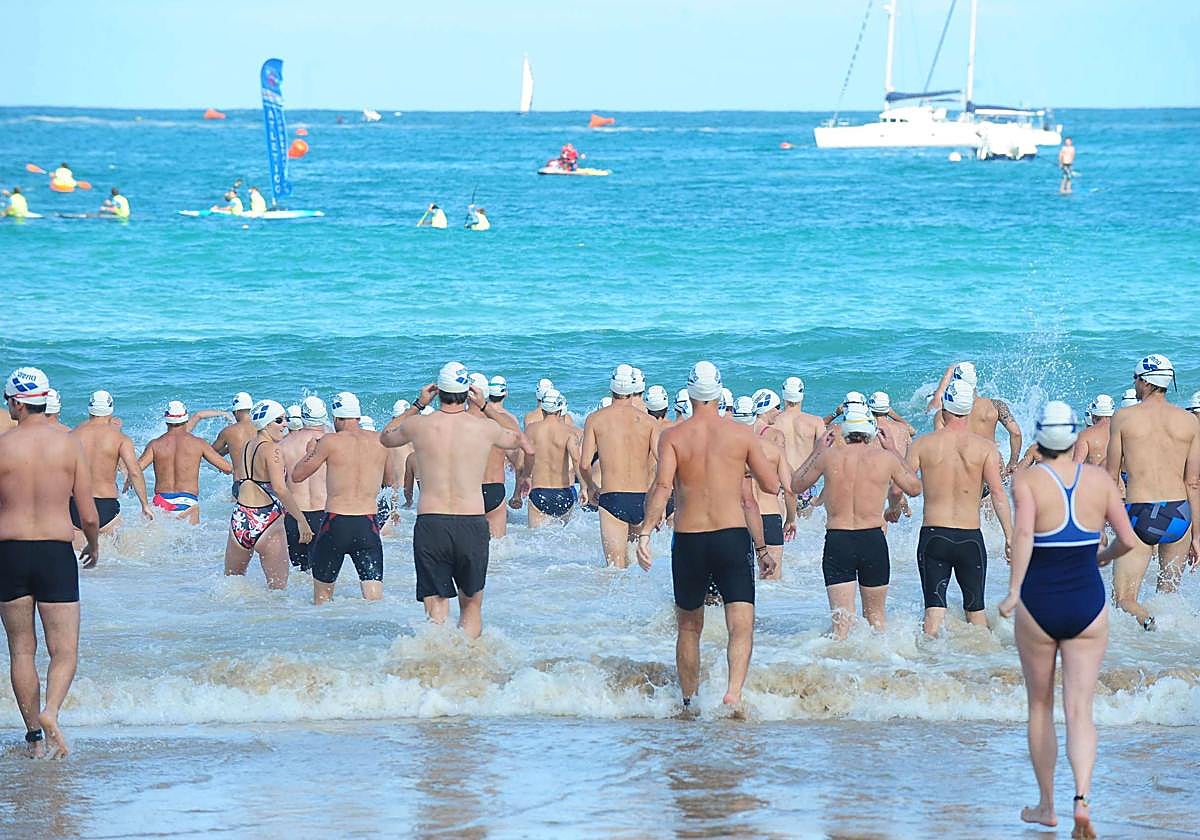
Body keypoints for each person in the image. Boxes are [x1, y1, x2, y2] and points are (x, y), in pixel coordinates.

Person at [998, 401, 1138, 839]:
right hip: (1087, 603)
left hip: (1038, 602)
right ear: (1075, 435)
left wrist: (1014, 591)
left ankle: (1046, 806)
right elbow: (1128, 539)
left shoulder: (1027, 481)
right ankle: (1082, 799)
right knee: (1080, 710)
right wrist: (1102, 556)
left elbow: (1024, 534)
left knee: (1040, 706)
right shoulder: (1099, 481)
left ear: (1040, 437)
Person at [635, 361, 778, 712]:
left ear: (689, 392)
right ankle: (733, 693)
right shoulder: (742, 435)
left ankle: (689, 700)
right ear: (719, 392)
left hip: (690, 539)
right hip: (732, 537)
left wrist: (644, 534)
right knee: (740, 624)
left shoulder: (673, 436)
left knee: (688, 627)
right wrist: (740, 466)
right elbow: (771, 485)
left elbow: (663, 487)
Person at [380, 363, 532, 637]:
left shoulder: (418, 425)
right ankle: (468, 659)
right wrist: (486, 406)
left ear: (437, 391)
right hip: (471, 522)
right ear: (468, 392)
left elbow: (385, 437)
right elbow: (520, 439)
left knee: (436, 610)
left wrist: (418, 404)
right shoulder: (484, 428)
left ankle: (438, 658)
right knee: (471, 607)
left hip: (432, 523)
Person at [0, 367, 98, 758]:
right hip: (56, 553)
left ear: (18, 402)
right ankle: (51, 711)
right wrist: (93, 545)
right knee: (65, 650)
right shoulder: (69, 444)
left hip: (10, 552)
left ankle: (34, 739)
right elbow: (88, 514)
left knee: (22, 651)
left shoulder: (3, 446)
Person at [894, 380, 1012, 636]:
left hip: (934, 537)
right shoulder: (986, 448)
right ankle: (985, 658)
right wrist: (1009, 537)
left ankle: (930, 660)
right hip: (971, 539)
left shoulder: (922, 444)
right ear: (969, 410)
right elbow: (998, 494)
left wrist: (893, 508)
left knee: (933, 613)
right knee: (976, 612)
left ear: (944, 409)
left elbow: (898, 486)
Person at [793, 405, 921, 639]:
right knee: (877, 620)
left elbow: (796, 485)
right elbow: (914, 488)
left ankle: (833, 661)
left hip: (838, 541)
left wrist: (817, 450)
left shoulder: (828, 457)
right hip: (872, 540)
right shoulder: (885, 459)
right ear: (871, 431)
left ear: (845, 431)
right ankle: (879, 662)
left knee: (841, 626)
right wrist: (893, 449)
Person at [1105, 355, 1200, 630]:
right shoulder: (1189, 421)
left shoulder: (1123, 417)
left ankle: (1149, 623)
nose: (1134, 383)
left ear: (1146, 382)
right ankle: (1168, 645)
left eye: (1135, 379)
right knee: (1167, 597)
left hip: (1140, 513)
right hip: (1180, 515)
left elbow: (1111, 476)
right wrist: (1197, 535)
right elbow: (1193, 482)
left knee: (1124, 599)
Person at [291, 392, 390, 604]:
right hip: (368, 525)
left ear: (336, 418)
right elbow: (389, 481)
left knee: (322, 600)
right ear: (358, 416)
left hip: (336, 524)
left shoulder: (329, 441)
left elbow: (297, 475)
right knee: (374, 600)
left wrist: (311, 451)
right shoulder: (380, 440)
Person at [224, 401, 313, 589]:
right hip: (266, 519)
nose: (285, 424)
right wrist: (301, 520)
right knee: (278, 591)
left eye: (285, 419)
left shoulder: (248, 445)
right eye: (279, 420)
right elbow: (280, 489)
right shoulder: (272, 449)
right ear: (266, 424)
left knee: (232, 585)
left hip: (240, 517)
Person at [580, 364, 658, 567]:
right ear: (633, 389)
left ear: (611, 387)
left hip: (612, 497)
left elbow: (585, 464)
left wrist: (590, 487)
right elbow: (662, 463)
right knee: (638, 568)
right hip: (642, 498)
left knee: (615, 569)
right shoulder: (649, 421)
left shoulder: (595, 419)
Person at [70, 390, 154, 546]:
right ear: (111, 409)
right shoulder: (120, 439)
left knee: (80, 559)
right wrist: (145, 505)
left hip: (76, 505)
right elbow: (135, 472)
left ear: (90, 408)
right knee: (115, 557)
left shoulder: (72, 435)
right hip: (106, 506)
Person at [731, 397, 796, 581]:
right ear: (754, 417)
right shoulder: (773, 449)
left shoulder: (725, 450)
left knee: (739, 580)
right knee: (771, 582)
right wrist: (791, 519)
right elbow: (789, 490)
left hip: (738, 518)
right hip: (770, 516)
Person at [136, 401, 232, 522]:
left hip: (161, 502)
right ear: (186, 419)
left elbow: (136, 470)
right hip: (187, 503)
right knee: (189, 534)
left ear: (166, 420)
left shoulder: (155, 444)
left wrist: (129, 482)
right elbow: (227, 468)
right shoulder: (198, 443)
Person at [928, 362, 1023, 475]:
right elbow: (1016, 433)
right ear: (975, 381)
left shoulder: (942, 415)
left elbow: (941, 450)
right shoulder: (996, 405)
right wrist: (1013, 463)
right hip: (994, 464)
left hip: (966, 469)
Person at [517, 389, 582, 527]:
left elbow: (520, 464)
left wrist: (517, 493)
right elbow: (577, 460)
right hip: (564, 493)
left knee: (535, 537)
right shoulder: (569, 432)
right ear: (560, 410)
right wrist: (584, 487)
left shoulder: (531, 429)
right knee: (565, 537)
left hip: (539, 492)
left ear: (542, 410)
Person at [280, 396, 329, 571]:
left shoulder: (283, 444)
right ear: (325, 416)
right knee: (322, 574)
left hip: (294, 514)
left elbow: (278, 484)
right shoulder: (334, 442)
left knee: (297, 573)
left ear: (303, 416)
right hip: (324, 513)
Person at [213, 392, 257, 499]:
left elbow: (210, 452)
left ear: (236, 412)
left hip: (240, 483)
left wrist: (221, 463)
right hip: (262, 483)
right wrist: (230, 448)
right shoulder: (262, 427)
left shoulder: (228, 431)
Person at [1072, 395, 1115, 466]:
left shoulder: (1084, 435)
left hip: (1095, 472)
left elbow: (1076, 466)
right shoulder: (1122, 432)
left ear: (1092, 415)